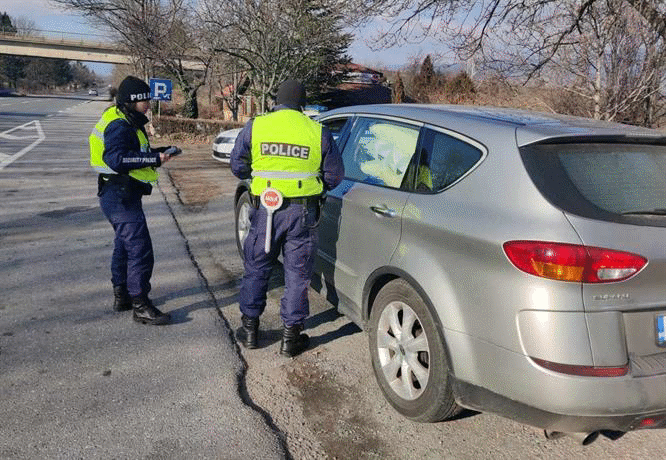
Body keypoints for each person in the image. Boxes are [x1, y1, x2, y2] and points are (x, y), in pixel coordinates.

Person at [230, 79, 344, 357]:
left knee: (256, 268)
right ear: (302, 103)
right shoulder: (317, 132)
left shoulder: (256, 126)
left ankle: (250, 331)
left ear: (276, 101)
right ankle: (290, 338)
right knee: (297, 274)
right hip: (302, 213)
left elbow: (237, 165)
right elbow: (335, 176)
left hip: (264, 212)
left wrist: (261, 177)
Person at [90, 75, 181, 325]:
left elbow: (134, 153)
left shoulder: (126, 120)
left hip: (121, 193)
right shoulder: (120, 125)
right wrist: (154, 160)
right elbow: (117, 159)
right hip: (119, 195)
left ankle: (122, 295)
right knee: (140, 249)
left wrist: (158, 153)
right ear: (132, 101)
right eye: (145, 101)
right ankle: (140, 304)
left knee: (124, 245)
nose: (149, 105)